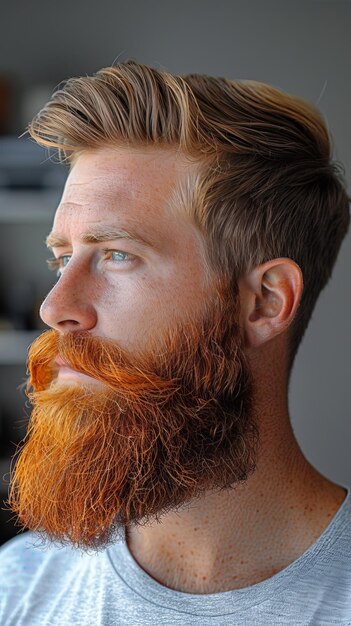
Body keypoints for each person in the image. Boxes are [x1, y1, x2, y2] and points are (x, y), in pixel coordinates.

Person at [0, 61, 350, 626]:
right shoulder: (15, 591)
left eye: (117, 254)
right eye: (63, 258)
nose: (54, 307)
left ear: (264, 301)